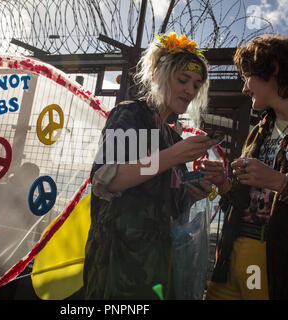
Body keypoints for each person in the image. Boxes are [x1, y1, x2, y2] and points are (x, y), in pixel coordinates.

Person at [83, 32, 217, 299]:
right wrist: (172, 156)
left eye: (196, 85)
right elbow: (109, 179)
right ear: (157, 74)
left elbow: (170, 204)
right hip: (117, 263)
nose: (190, 91)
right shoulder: (131, 115)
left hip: (156, 265)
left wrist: (195, 188)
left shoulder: (172, 136)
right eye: (183, 80)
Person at [203, 34, 288, 299]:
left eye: (247, 76)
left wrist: (281, 182)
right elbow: (244, 199)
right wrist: (224, 185)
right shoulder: (258, 132)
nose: (244, 89)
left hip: (281, 269)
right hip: (231, 256)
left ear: (272, 70)